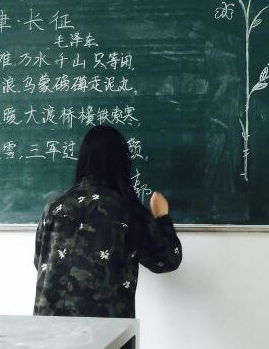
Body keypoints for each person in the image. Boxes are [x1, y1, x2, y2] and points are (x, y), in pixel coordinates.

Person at [34, 125, 182, 320]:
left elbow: (40, 261)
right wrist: (162, 217)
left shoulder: (54, 207)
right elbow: (167, 259)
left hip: (49, 324)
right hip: (104, 329)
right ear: (122, 163)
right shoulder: (127, 210)